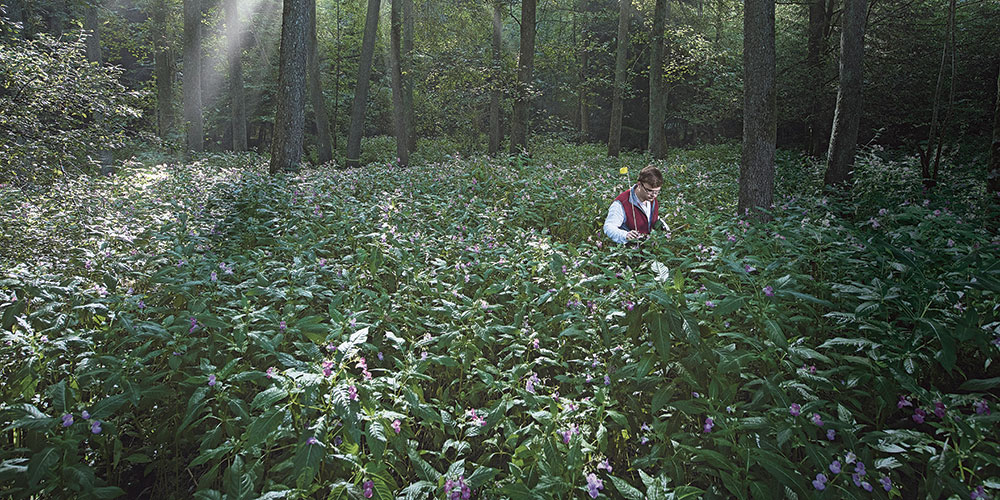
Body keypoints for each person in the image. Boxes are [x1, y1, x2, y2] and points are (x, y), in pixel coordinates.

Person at [603, 165, 664, 244]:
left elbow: (649, 216)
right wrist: (625, 235)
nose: (654, 195)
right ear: (639, 184)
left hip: (649, 248)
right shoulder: (622, 203)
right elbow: (608, 227)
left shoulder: (651, 198)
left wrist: (663, 226)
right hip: (630, 250)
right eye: (649, 190)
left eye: (657, 191)